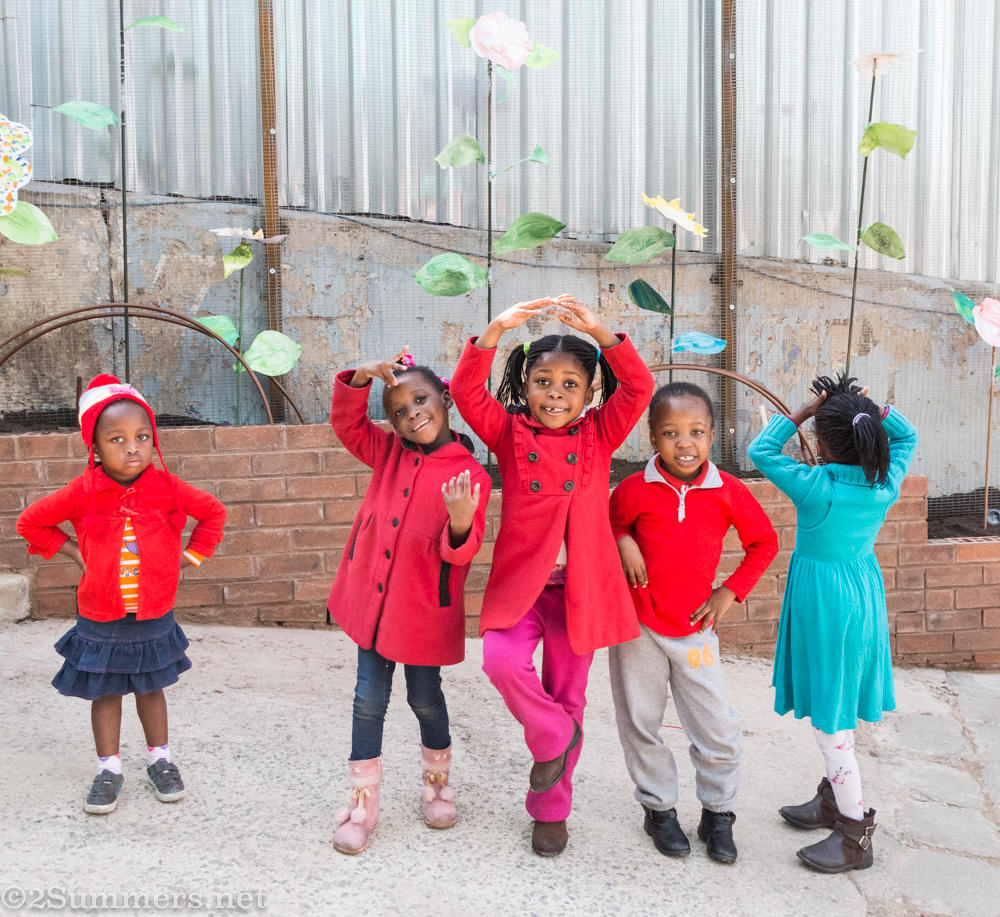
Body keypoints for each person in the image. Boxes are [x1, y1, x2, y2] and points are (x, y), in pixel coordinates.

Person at [449, 294, 654, 856]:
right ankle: (554, 737)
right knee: (500, 661)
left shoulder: (600, 433)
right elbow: (466, 393)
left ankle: (551, 810)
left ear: (590, 393)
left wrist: (603, 334)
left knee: (570, 694)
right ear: (525, 385)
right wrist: (494, 331)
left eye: (570, 384)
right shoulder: (508, 434)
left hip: (582, 591)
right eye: (543, 381)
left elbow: (639, 389)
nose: (556, 394)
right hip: (523, 587)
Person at [16, 374, 226, 815]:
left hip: (153, 613)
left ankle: (160, 761)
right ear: (94, 446)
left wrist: (190, 559)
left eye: (142, 436)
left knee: (151, 689)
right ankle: (108, 769)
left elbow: (212, 514)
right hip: (101, 615)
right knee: (106, 693)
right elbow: (31, 523)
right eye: (117, 439)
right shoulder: (83, 491)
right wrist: (75, 553)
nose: (133, 447)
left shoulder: (167, 487)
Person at [747, 373, 917, 873]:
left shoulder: (816, 487)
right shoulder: (884, 479)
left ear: (821, 443)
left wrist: (806, 408)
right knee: (837, 699)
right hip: (860, 596)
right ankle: (831, 799)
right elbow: (906, 437)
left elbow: (761, 450)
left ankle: (854, 830)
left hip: (825, 606)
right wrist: (869, 407)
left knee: (831, 722)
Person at [327, 349, 490, 856]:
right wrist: (359, 376)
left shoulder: (470, 474)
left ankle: (437, 785)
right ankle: (363, 804)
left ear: (445, 400)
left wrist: (460, 519)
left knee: (425, 699)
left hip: (423, 610)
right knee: (367, 700)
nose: (411, 413)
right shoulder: (388, 452)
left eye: (420, 400)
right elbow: (346, 424)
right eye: (398, 410)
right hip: (372, 607)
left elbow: (459, 551)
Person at [608, 381, 778, 864]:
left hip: (696, 630)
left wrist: (731, 590)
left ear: (712, 435)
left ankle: (718, 813)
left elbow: (763, 542)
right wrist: (623, 540)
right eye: (671, 433)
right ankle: (659, 809)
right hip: (637, 626)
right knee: (641, 720)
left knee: (716, 725)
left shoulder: (727, 490)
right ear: (652, 438)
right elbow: (609, 521)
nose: (685, 443)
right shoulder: (633, 489)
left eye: (696, 432)